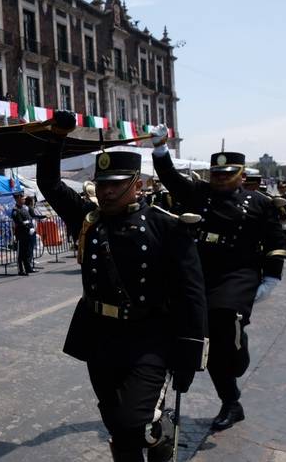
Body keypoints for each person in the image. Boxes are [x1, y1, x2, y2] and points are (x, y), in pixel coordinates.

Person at [38, 131, 209, 462]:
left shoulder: (167, 226)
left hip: (149, 338)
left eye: (116, 183)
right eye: (102, 184)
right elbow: (50, 183)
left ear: (138, 185)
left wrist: (190, 356)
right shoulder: (89, 221)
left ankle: (158, 437)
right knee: (116, 423)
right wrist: (55, 138)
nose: (108, 190)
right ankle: (150, 439)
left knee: (133, 422)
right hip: (99, 335)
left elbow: (192, 295)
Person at [151, 127, 286, 432]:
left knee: (223, 321)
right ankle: (231, 402)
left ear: (240, 174)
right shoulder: (199, 194)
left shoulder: (259, 202)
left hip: (238, 275)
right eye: (217, 174)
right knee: (204, 341)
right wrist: (160, 150)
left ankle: (238, 346)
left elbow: (276, 240)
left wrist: (272, 277)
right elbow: (171, 178)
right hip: (200, 273)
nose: (221, 179)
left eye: (227, 174)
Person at [11, 191, 36, 275]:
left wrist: (31, 227)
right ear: (17, 199)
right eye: (22, 198)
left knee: (27, 252)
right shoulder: (15, 210)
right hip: (21, 234)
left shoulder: (24, 208)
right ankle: (20, 270)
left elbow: (28, 219)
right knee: (20, 253)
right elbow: (19, 222)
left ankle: (28, 268)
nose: (24, 200)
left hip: (27, 233)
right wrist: (27, 228)